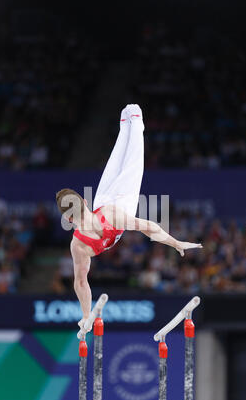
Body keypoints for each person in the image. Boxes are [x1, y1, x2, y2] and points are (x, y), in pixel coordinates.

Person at [56, 104, 202, 333]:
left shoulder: (80, 243)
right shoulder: (80, 243)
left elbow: (147, 227)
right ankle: (128, 121)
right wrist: (86, 315)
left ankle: (134, 120)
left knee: (133, 160)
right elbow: (80, 283)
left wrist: (176, 243)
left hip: (118, 203)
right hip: (104, 204)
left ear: (69, 219)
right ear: (84, 203)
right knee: (122, 160)